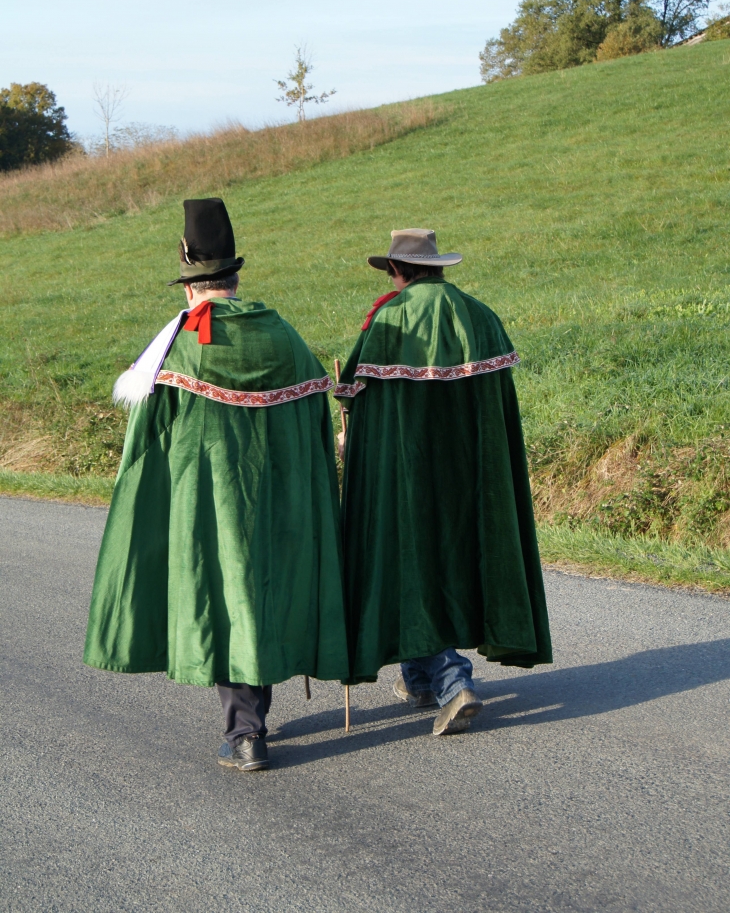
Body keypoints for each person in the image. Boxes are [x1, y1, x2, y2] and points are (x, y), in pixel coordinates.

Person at [84, 198, 348, 771]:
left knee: (227, 599)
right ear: (234, 277)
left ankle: (246, 732)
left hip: (210, 499)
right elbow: (314, 415)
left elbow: (149, 437)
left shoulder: (180, 344)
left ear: (190, 286)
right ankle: (250, 721)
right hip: (280, 498)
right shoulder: (282, 333)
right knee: (262, 591)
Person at [335, 228, 552, 736]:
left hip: (408, 472)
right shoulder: (480, 315)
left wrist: (354, 439)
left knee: (409, 564)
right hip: (473, 474)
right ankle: (419, 678)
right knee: (447, 562)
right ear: (438, 267)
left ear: (397, 270)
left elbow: (358, 398)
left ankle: (453, 681)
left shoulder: (390, 317)